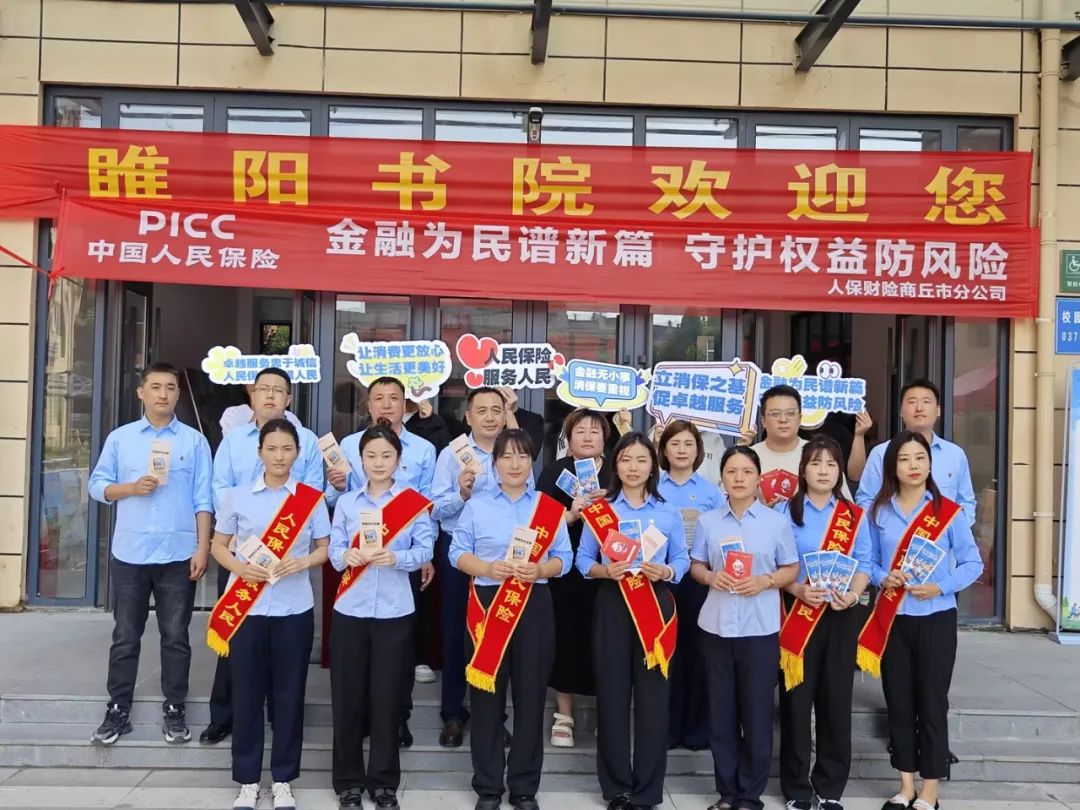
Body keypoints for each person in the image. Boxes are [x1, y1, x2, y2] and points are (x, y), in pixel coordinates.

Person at [88, 362, 213, 747]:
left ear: (178, 394)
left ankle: (175, 708)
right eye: (156, 387)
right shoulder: (121, 439)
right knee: (126, 635)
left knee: (176, 636)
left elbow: (203, 499)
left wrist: (202, 548)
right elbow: (97, 486)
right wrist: (130, 488)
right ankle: (117, 709)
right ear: (141, 392)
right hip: (131, 553)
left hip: (178, 553)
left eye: (171, 387)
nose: (163, 394)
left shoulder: (194, 441)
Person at [207, 418, 330, 810]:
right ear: (260, 452)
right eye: (272, 449)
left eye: (287, 449)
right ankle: (247, 780)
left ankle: (283, 780)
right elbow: (218, 546)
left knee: (289, 696)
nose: (279, 456)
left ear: (298, 453)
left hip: (294, 609)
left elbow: (325, 548)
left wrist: (303, 562)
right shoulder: (238, 497)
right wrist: (240, 568)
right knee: (246, 693)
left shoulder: (310, 499)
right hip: (248, 608)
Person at [857, 431, 983, 810]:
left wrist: (941, 587)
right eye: (904, 459)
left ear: (930, 465)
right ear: (892, 467)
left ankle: (930, 788)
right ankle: (906, 785)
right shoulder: (878, 513)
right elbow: (866, 562)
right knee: (898, 701)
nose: (913, 465)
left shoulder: (948, 513)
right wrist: (884, 577)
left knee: (931, 703)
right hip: (893, 618)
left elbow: (973, 563)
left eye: (920, 458)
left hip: (936, 618)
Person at [201, 367, 324, 746]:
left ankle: (278, 717)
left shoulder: (306, 441)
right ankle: (224, 715)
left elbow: (312, 490)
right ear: (251, 396)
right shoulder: (234, 440)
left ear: (289, 398)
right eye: (263, 389)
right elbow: (220, 485)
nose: (270, 395)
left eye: (278, 390)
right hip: (241, 554)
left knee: (284, 648)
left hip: (288, 557)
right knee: (234, 639)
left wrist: (282, 536)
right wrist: (241, 521)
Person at [451, 429, 572, 810]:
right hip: (489, 605)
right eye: (506, 456)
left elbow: (564, 558)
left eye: (522, 456)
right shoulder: (477, 506)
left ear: (531, 461)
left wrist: (540, 569)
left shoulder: (549, 507)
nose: (515, 464)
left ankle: (524, 788)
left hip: (534, 603)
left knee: (531, 697)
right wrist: (487, 567)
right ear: (495, 463)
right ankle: (488, 787)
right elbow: (457, 553)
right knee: (486, 699)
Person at [576, 431, 690, 810]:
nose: (634, 467)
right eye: (626, 459)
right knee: (612, 696)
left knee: (653, 700)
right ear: (616, 466)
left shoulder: (667, 511)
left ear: (652, 466)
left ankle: (647, 790)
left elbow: (682, 559)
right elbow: (582, 560)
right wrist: (604, 571)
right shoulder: (601, 510)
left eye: (641, 460)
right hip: (612, 602)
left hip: (654, 605)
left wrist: (667, 571)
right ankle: (617, 788)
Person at [328, 420, 435, 810]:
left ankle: (384, 783)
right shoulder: (347, 503)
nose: (378, 462)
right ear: (360, 460)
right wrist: (347, 555)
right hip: (350, 610)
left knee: (388, 698)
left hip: (394, 611)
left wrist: (397, 557)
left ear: (398, 460)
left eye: (386, 455)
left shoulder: (412, 503)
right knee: (348, 697)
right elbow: (334, 550)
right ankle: (348, 783)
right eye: (371, 455)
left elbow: (425, 550)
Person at [690, 445, 800, 810]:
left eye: (747, 472)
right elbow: (696, 564)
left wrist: (765, 581)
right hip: (716, 628)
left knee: (756, 715)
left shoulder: (775, 522)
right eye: (731, 472)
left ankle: (750, 795)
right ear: (721, 478)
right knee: (720, 714)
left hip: (759, 630)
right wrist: (711, 577)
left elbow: (791, 568)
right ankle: (727, 792)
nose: (739, 478)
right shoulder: (708, 522)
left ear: (758, 478)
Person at [431, 387, 533, 748]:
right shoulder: (452, 455)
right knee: (456, 632)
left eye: (496, 410)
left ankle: (493, 717)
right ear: (468, 417)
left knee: (497, 633)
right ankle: (453, 713)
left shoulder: (515, 452)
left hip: (506, 558)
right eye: (482, 410)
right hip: (460, 553)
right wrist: (461, 493)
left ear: (506, 415)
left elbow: (530, 503)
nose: (490, 417)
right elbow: (434, 509)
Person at [777, 436, 872, 810]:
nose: (823, 471)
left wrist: (854, 595)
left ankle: (831, 787)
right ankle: (797, 788)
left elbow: (864, 564)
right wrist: (798, 589)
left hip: (840, 614)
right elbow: (775, 564)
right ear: (803, 470)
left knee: (835, 702)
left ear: (839, 472)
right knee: (796, 704)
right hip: (797, 613)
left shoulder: (853, 515)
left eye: (831, 464)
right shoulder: (784, 512)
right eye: (815, 463)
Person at [535, 407, 613, 748]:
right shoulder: (555, 472)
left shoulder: (617, 470)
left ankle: (605, 713)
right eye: (580, 431)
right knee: (565, 638)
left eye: (595, 431)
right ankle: (563, 714)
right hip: (564, 573)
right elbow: (539, 524)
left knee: (605, 642)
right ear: (568, 438)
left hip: (607, 571)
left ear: (605, 438)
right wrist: (571, 513)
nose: (587, 437)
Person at [655, 420, 722, 752]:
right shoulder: (653, 487)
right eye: (675, 444)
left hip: (698, 579)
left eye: (688, 444)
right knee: (665, 654)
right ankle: (665, 728)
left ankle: (697, 729)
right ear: (664, 450)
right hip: (660, 580)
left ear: (698, 451)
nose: (682, 450)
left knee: (698, 653)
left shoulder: (712, 491)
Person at [855, 379, 977, 525]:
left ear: (938, 410)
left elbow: (966, 502)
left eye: (926, 402)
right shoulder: (881, 453)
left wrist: (955, 531)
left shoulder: (955, 455)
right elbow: (865, 501)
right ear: (901, 411)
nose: (919, 408)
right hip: (895, 538)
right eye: (912, 402)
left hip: (942, 537)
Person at [747, 385, 850, 507]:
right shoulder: (746, 457)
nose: (783, 419)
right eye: (775, 414)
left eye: (790, 413)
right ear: (763, 421)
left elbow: (846, 508)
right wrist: (760, 510)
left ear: (800, 418)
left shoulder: (820, 454)